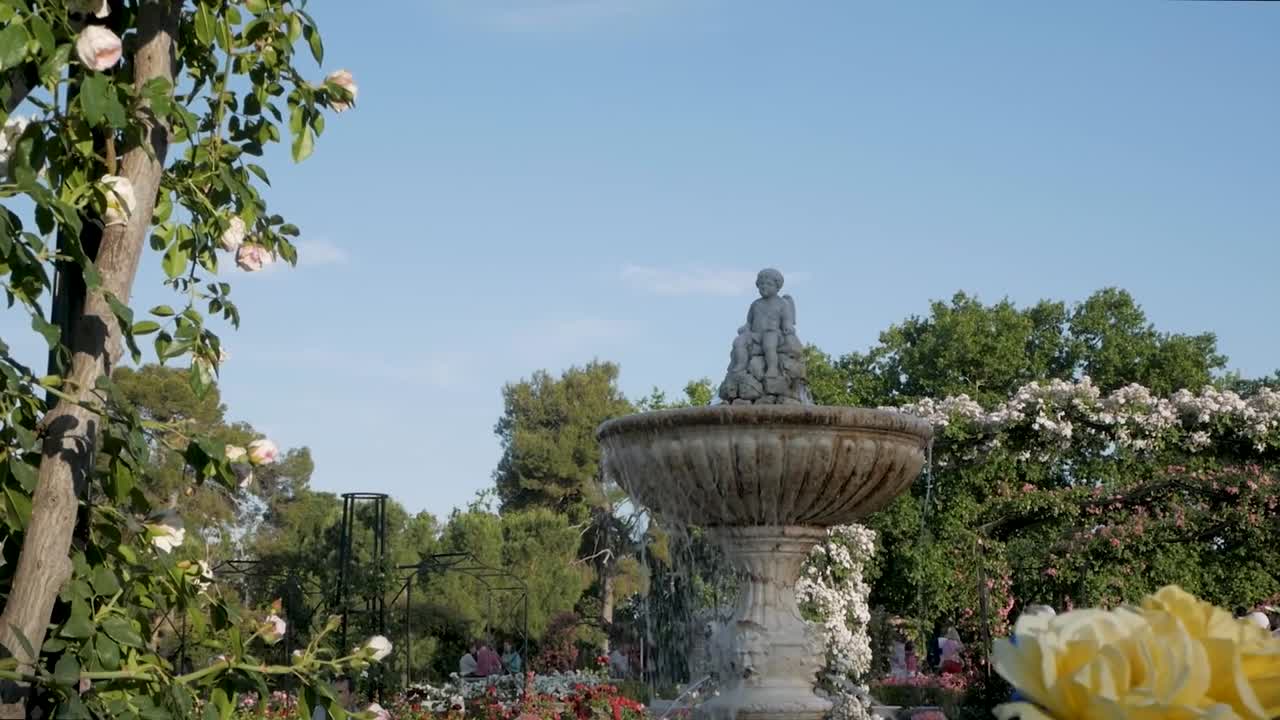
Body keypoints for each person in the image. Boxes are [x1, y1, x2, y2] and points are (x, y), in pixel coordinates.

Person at [730, 268, 800, 379]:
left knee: (769, 344)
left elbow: (787, 321)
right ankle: (741, 365)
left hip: (774, 333)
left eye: (769, 284)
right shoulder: (755, 304)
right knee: (739, 342)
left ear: (777, 287)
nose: (764, 286)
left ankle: (772, 368)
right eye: (761, 283)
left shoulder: (782, 303)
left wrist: (788, 326)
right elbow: (749, 322)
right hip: (755, 334)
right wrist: (745, 328)